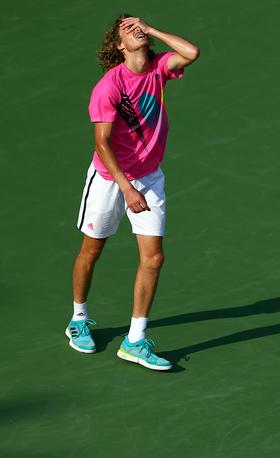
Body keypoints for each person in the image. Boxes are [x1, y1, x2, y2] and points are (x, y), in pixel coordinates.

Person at [66, 14, 199, 371]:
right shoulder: (108, 87)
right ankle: (78, 317)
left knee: (153, 259)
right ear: (119, 46)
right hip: (110, 179)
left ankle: (135, 340)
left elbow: (192, 51)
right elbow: (102, 142)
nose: (136, 28)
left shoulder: (158, 68)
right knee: (92, 250)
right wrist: (126, 188)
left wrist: (154, 29)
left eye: (139, 24)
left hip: (150, 177)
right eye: (128, 28)